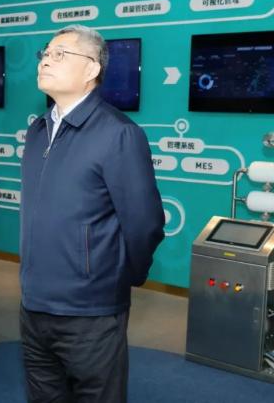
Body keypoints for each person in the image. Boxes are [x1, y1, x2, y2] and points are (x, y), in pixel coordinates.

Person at [19, 25, 165, 403]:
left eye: (60, 54)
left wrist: (117, 278)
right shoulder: (37, 131)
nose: (46, 61)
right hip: (34, 304)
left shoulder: (118, 133)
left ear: (91, 70)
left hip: (91, 311)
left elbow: (145, 224)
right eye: (45, 54)